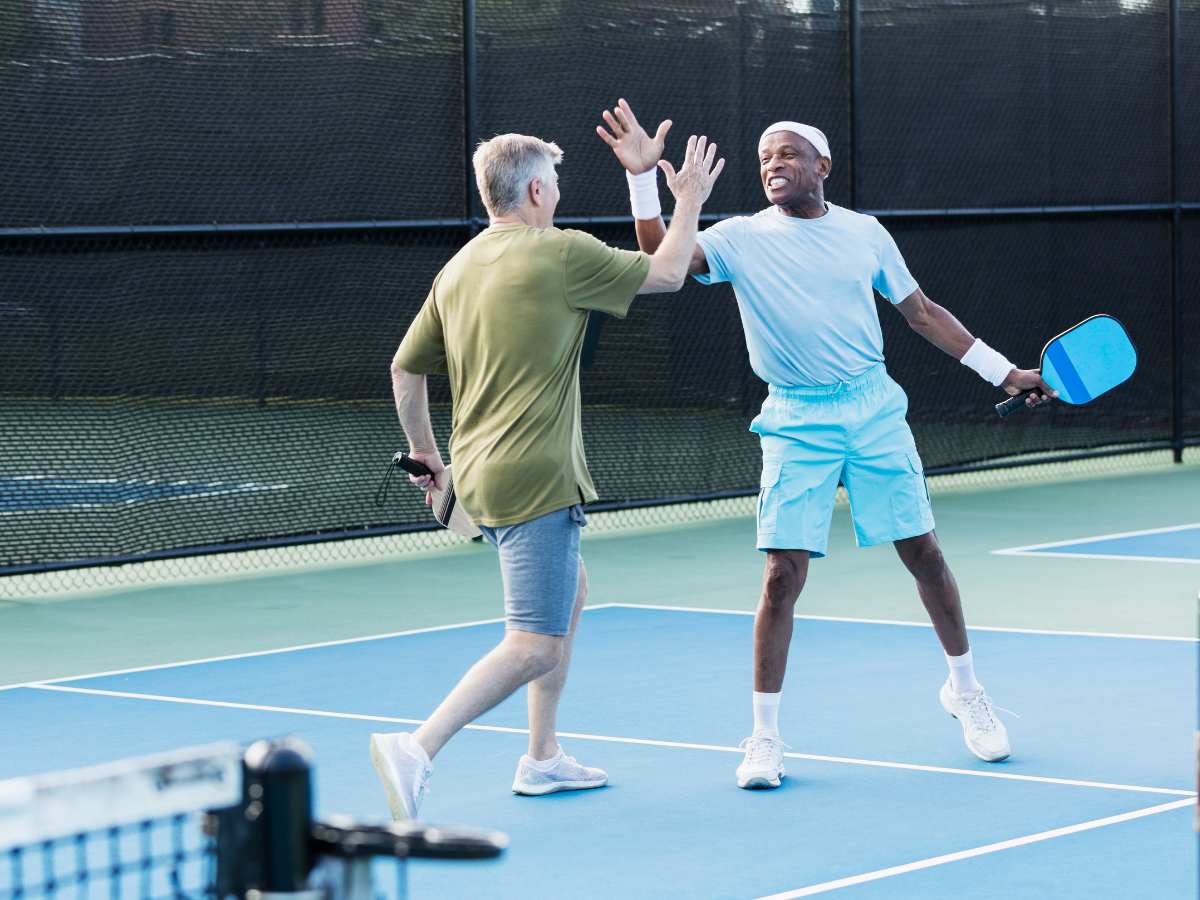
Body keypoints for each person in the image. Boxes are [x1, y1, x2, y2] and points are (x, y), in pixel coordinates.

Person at [597, 99, 1055, 790]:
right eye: (763, 160)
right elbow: (663, 257)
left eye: (786, 154)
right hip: (795, 419)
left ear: (822, 166)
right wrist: (640, 181)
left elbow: (922, 313)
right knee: (782, 576)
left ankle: (964, 689)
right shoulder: (740, 238)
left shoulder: (865, 234)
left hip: (873, 410)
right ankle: (764, 738)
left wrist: (1007, 371)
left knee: (924, 554)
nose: (773, 165)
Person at [371, 130, 725, 818]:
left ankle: (541, 758)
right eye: (555, 186)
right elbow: (672, 273)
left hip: (478, 475)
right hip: (535, 477)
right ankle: (416, 747)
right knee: (533, 643)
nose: (558, 196)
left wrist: (426, 457)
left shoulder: (459, 267)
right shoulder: (561, 253)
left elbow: (404, 368)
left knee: (571, 592)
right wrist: (688, 201)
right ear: (537, 191)